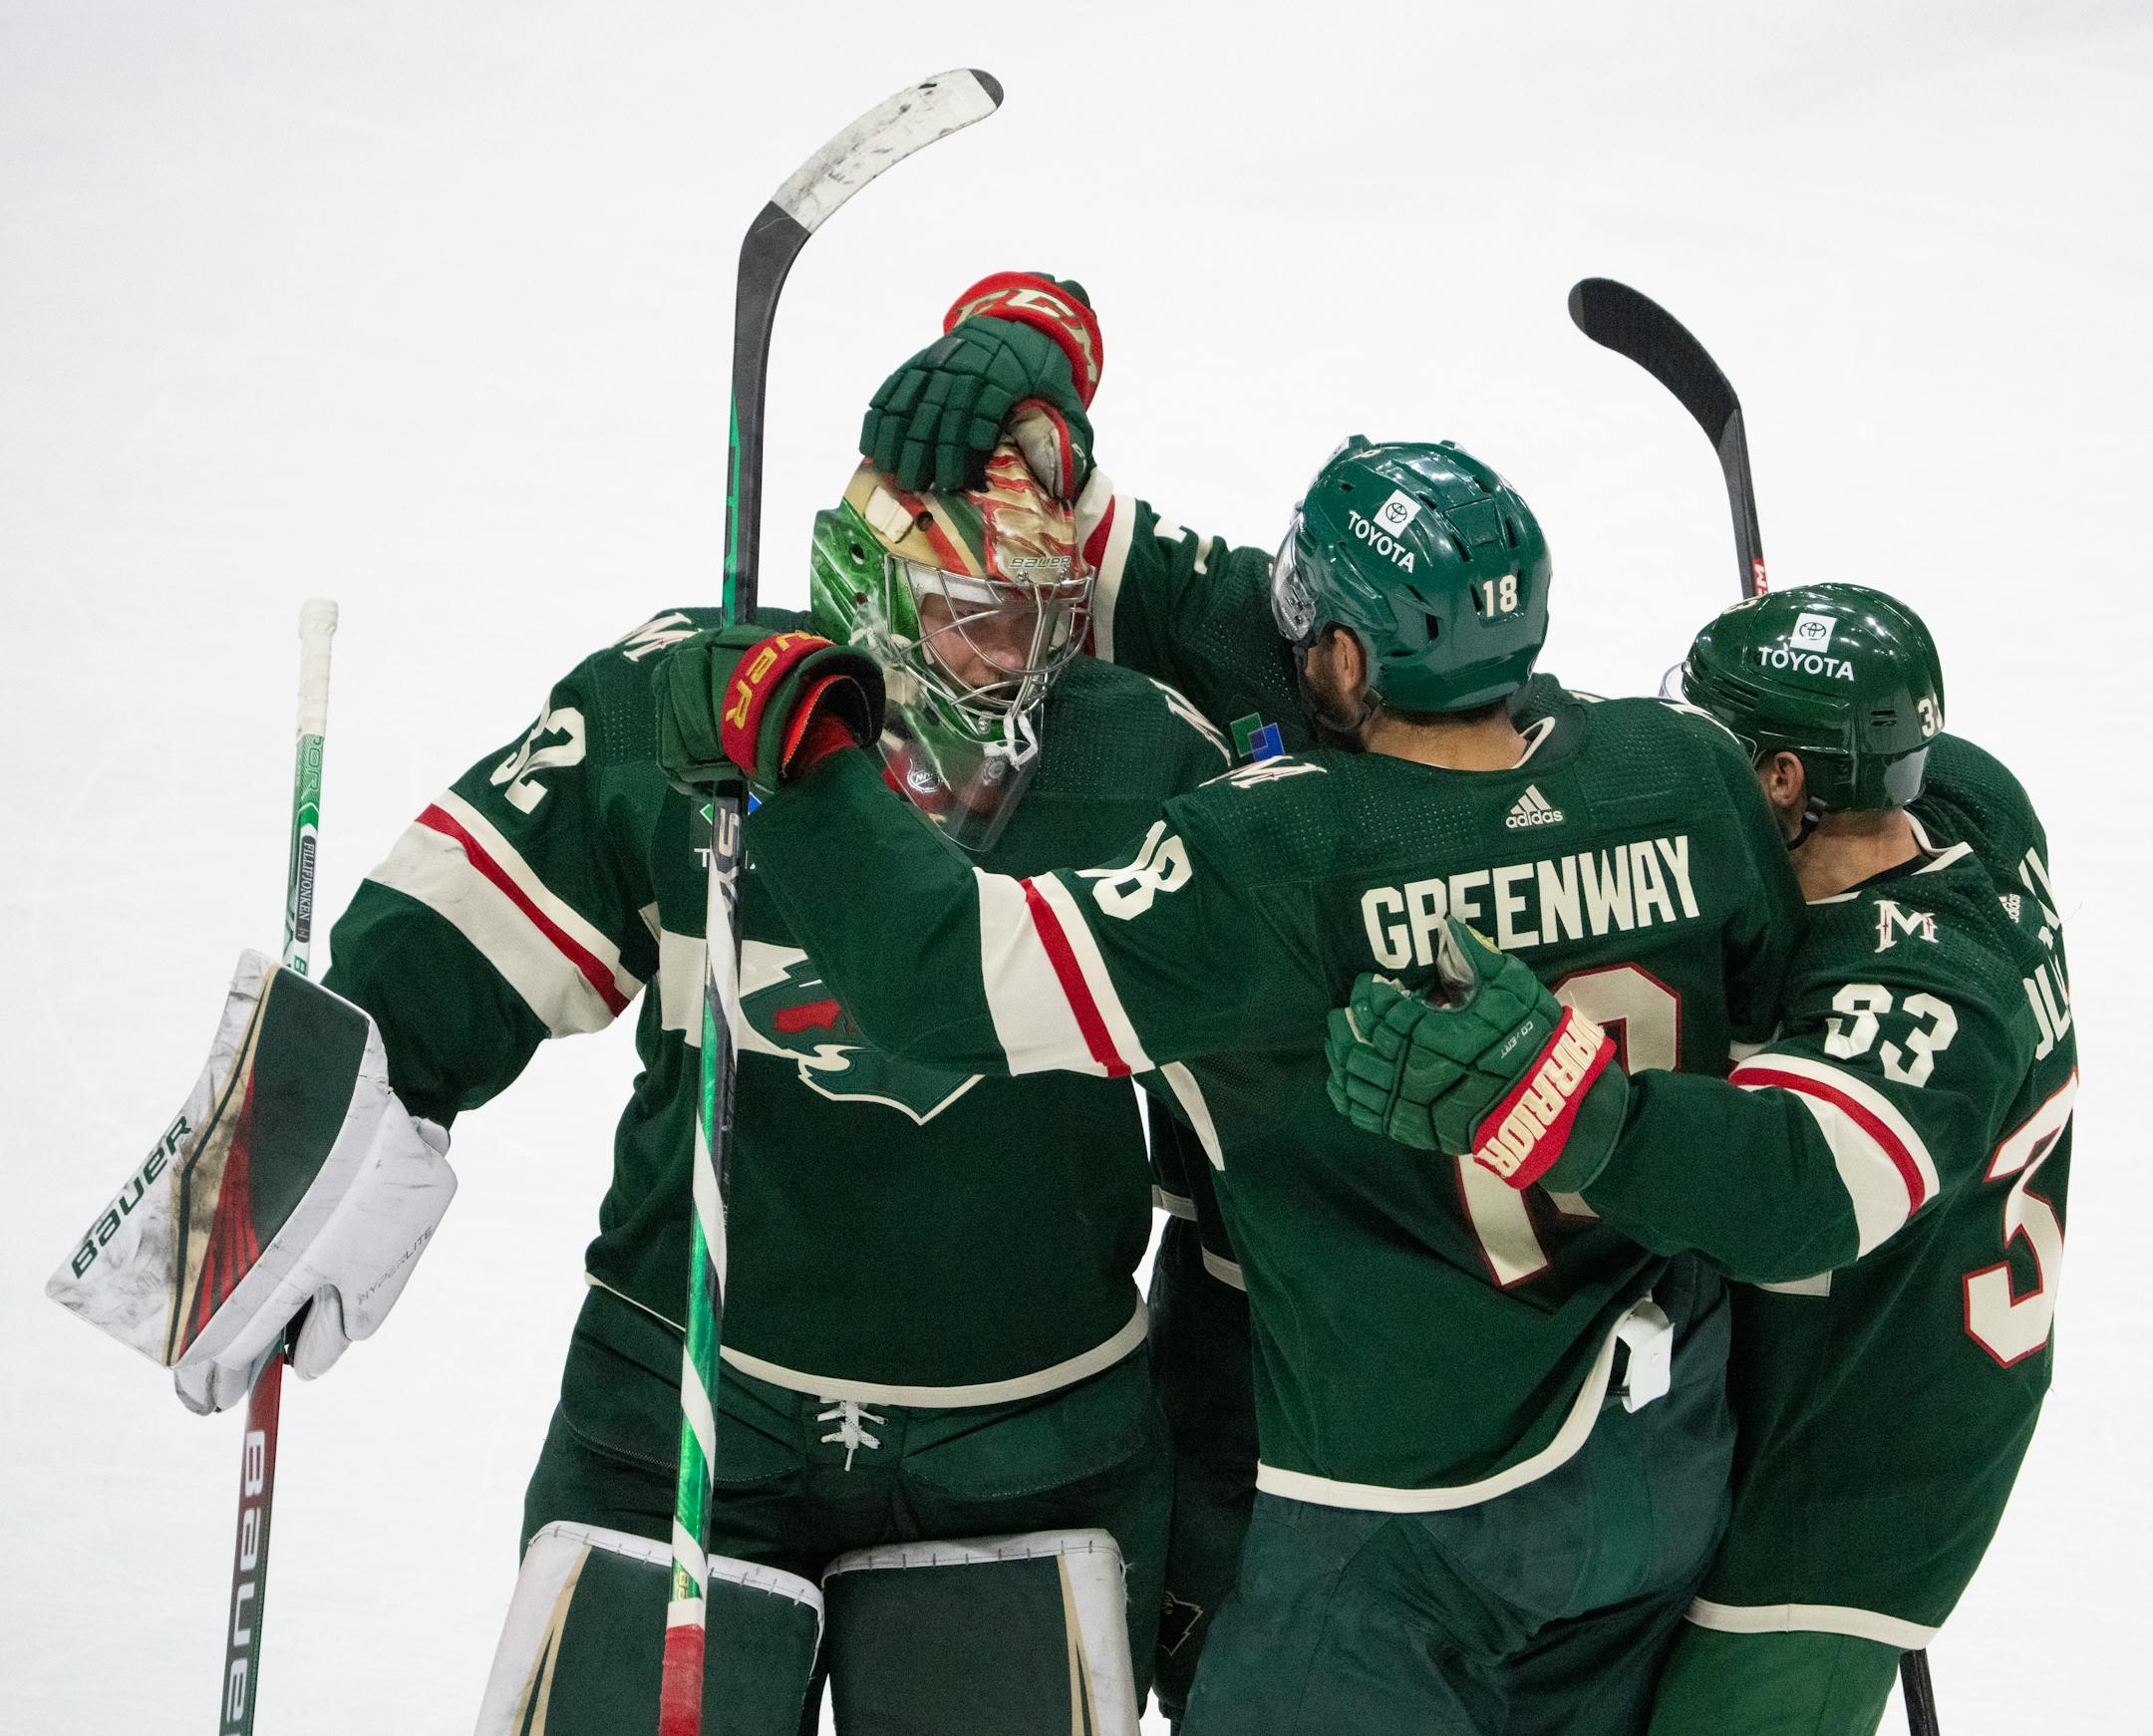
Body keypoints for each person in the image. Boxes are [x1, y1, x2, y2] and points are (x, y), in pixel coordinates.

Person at [665, 431, 1808, 1734]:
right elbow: (1776, 1054)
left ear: (1349, 657)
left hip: (1408, 1526)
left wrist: (806, 753)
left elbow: (940, 981)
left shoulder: (1267, 855)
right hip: (1655, 1467)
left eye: (1307, 619)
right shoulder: (1690, 767)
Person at [313, 432, 1231, 1730]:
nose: (1013, 659)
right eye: (976, 617)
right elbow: (437, 954)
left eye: (1044, 618)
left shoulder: (1150, 763)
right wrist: (298, 1149)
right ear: (869, 583)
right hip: (688, 1408)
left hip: (1027, 1449)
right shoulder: (680, 704)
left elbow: (1262, 1125)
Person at [1325, 583, 2074, 1736]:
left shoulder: (1926, 999)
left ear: (1782, 782)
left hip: (1841, 1497)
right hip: (1827, 1396)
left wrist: (1559, 1102)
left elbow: (1799, 1184)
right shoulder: (1969, 795)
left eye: (1722, 742)